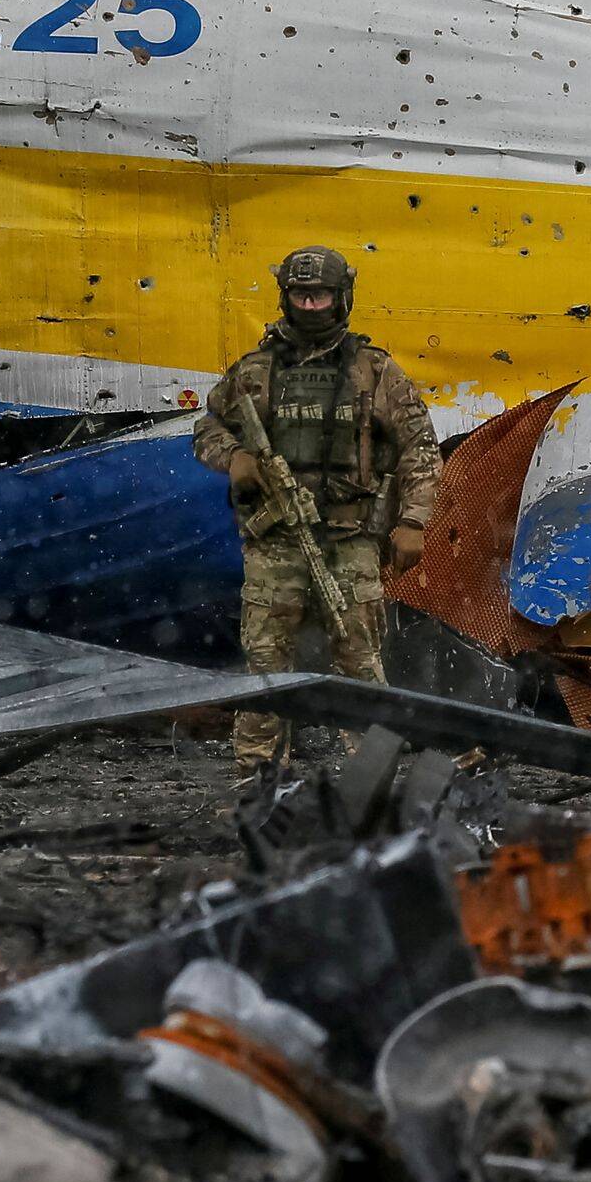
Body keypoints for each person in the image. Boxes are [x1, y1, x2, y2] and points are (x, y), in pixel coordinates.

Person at [191, 245, 442, 790]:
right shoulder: (256, 371)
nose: (310, 305)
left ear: (341, 296)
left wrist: (414, 521)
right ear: (285, 296)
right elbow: (209, 426)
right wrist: (233, 458)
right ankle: (257, 780)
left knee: (360, 660)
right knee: (265, 665)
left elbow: (419, 447)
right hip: (275, 542)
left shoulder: (373, 370)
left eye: (321, 294)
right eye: (301, 294)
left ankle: (370, 778)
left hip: (352, 540)